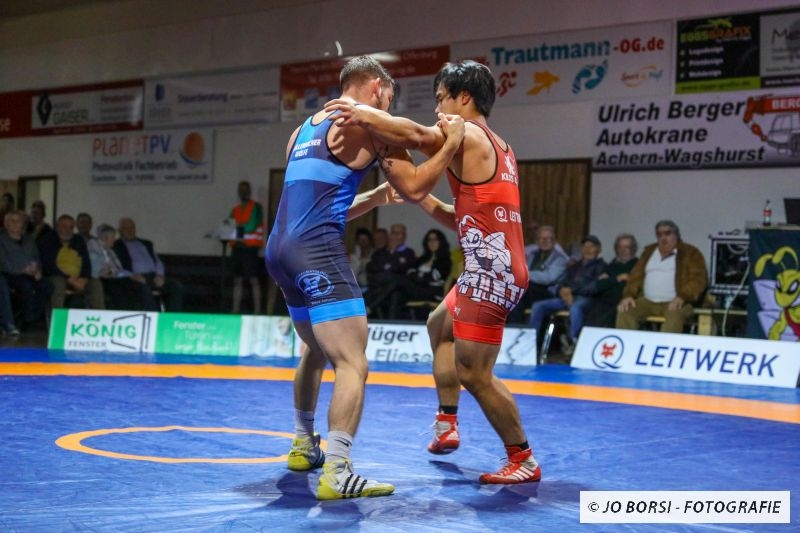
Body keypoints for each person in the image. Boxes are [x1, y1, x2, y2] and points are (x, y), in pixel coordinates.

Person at [325, 59, 541, 484]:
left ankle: (523, 459)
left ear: (465, 98)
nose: (438, 108)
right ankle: (447, 423)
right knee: (439, 325)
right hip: (494, 265)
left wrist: (365, 113)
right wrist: (414, 195)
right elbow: (457, 217)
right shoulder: (500, 146)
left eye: (441, 98)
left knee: (475, 374)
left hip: (491, 272)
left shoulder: (468, 133)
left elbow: (416, 136)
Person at [265, 55, 464, 500]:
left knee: (315, 350)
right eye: (388, 100)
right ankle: (338, 471)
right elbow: (416, 186)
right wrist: (452, 142)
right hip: (316, 253)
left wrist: (372, 198)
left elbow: (317, 207)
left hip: (280, 251)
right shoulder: (370, 125)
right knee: (353, 363)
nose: (387, 110)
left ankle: (303, 444)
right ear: (377, 88)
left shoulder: (302, 130)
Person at [616, 220, 708, 333]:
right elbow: (636, 277)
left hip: (678, 301)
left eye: (667, 233)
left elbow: (698, 279)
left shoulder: (690, 252)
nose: (663, 238)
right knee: (625, 310)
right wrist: (628, 295)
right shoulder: (649, 252)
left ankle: (664, 344)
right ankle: (628, 343)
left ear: (676, 235)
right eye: (659, 234)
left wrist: (682, 296)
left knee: (674, 314)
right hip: (647, 301)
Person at [528, 235, 605, 356]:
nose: (588, 249)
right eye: (585, 246)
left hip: (588, 299)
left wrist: (571, 291)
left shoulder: (602, 267)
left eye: (592, 246)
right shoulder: (573, 266)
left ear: (598, 249)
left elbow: (595, 287)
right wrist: (561, 291)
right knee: (538, 306)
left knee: (575, 308)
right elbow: (557, 283)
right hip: (565, 298)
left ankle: (574, 344)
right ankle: (529, 344)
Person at [114, 217, 184, 312]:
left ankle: (172, 317)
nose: (130, 230)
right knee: (144, 288)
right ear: (120, 230)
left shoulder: (146, 243)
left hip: (153, 276)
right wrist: (132, 276)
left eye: (132, 227)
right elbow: (115, 267)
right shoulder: (116, 246)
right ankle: (153, 316)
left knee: (175, 286)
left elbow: (158, 262)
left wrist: (160, 275)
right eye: (126, 228)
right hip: (133, 278)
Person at [38, 214, 105, 310]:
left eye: (71, 227)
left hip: (77, 278)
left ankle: (101, 316)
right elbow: (49, 266)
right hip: (55, 277)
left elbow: (86, 263)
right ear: (57, 227)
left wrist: (84, 279)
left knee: (95, 283)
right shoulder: (47, 240)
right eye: (64, 227)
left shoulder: (78, 240)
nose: (68, 230)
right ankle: (58, 318)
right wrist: (69, 279)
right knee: (58, 283)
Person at [0, 210, 52, 329]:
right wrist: (22, 270)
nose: (15, 223)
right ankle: (27, 320)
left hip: (30, 273)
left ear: (23, 224)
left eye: (18, 221)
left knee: (47, 286)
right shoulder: (1, 240)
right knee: (26, 286)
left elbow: (36, 258)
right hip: (9, 274)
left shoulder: (29, 240)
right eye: (12, 221)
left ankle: (30, 317)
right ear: (6, 224)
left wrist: (38, 270)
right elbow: (3, 262)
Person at [88, 223, 157, 310]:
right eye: (113, 237)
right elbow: (97, 269)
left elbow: (118, 269)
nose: (114, 239)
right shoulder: (93, 246)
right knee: (122, 286)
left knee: (133, 284)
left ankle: (132, 311)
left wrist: (130, 275)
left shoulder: (111, 251)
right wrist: (110, 272)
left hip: (114, 277)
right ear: (105, 238)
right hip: (101, 279)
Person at [508, 225, 568, 324]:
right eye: (541, 238)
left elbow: (548, 278)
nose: (544, 241)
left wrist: (526, 274)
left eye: (548, 238)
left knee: (519, 292)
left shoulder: (560, 259)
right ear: (537, 241)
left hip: (549, 292)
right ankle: (513, 329)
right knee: (515, 299)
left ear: (554, 241)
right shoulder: (532, 255)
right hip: (529, 293)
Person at [585, 233, 638, 328]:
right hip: (604, 300)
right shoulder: (611, 265)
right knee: (592, 309)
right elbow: (599, 285)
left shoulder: (638, 265)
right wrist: (619, 278)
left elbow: (632, 285)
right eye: (620, 247)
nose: (623, 250)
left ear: (633, 249)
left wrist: (610, 280)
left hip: (623, 300)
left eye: (626, 247)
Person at [364, 222, 416, 318]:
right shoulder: (380, 252)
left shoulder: (409, 253)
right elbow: (371, 268)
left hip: (400, 290)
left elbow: (402, 270)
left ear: (404, 236)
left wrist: (387, 266)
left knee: (396, 288)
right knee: (393, 291)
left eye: (398, 233)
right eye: (393, 233)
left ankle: (370, 307)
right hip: (379, 286)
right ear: (390, 235)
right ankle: (386, 321)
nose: (395, 236)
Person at [230, 180, 264, 314]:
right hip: (237, 248)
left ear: (249, 191)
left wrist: (238, 227)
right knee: (237, 280)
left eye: (245, 190)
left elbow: (252, 226)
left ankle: (257, 311)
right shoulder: (235, 210)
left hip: (250, 249)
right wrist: (239, 227)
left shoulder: (256, 207)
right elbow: (229, 226)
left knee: (254, 280)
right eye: (240, 190)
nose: (242, 192)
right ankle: (235, 310)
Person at [349, 227, 374, 293]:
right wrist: (357, 258)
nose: (363, 242)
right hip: (356, 288)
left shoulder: (375, 254)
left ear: (369, 240)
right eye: (360, 239)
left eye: (365, 239)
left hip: (370, 287)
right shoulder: (353, 257)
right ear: (357, 241)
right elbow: (352, 275)